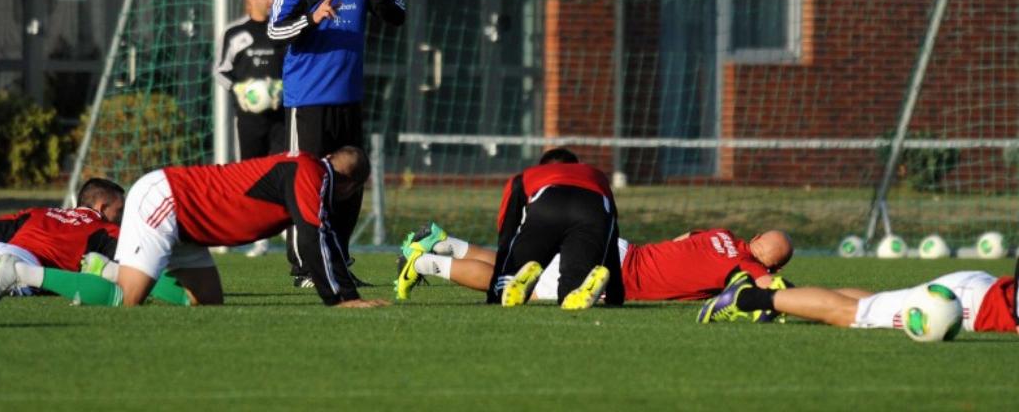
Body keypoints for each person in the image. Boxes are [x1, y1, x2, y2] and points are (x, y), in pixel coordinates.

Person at [0, 148, 390, 309]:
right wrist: (340, 299)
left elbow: (318, 234)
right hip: (170, 200)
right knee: (124, 301)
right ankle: (20, 273)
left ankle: (108, 268)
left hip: (191, 223)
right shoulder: (310, 173)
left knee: (208, 303)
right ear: (351, 184)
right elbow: (311, 234)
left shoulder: (309, 169)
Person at [268, 0, 405, 287]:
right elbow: (275, 31)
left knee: (350, 181)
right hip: (308, 103)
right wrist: (312, 19)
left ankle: (339, 260)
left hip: (349, 101)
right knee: (308, 184)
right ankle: (305, 268)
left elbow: (398, 16)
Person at [401, 148, 623, 310]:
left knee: (511, 276)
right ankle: (574, 292)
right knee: (570, 292)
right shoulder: (596, 175)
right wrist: (616, 294)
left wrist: (496, 292)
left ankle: (514, 282)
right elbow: (611, 230)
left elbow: (506, 234)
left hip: (546, 207)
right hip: (590, 210)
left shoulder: (527, 176)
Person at [396, 222, 793, 304]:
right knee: (520, 285)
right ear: (772, 266)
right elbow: (766, 290)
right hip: (611, 276)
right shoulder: (748, 268)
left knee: (518, 262)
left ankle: (445, 243)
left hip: (620, 248)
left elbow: (681, 240)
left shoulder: (721, 233)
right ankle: (425, 263)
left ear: (756, 237)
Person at [697, 264, 1018, 333]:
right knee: (854, 313)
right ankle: (747, 298)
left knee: (877, 302)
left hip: (980, 290)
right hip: (967, 303)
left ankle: (790, 295)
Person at [214, 0, 287, 258]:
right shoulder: (235, 33)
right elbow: (221, 72)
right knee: (252, 173)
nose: (271, 1)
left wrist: (283, 90)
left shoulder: (281, 30)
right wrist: (240, 90)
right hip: (248, 119)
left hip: (280, 115)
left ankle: (285, 225)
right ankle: (260, 238)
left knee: (282, 168)